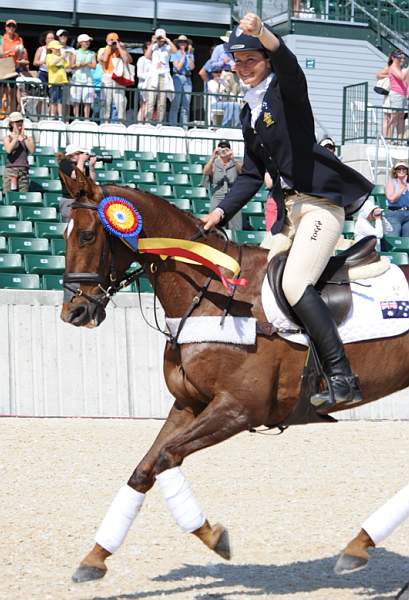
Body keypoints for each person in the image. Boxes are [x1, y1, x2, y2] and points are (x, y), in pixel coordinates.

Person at [201, 13, 373, 414]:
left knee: (294, 285)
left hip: (319, 207)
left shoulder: (286, 91)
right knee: (255, 284)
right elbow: (249, 174)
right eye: (238, 63)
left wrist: (262, 31)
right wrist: (218, 214)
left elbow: (290, 64)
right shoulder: (248, 113)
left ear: (266, 60)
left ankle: (342, 377)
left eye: (251, 61)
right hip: (289, 214)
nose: (243, 69)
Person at [202, 140, 242, 231]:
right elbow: (205, 172)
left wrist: (233, 158)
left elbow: (242, 172)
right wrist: (212, 158)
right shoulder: (214, 163)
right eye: (221, 148)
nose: (223, 150)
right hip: (218, 197)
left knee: (236, 227)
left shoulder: (235, 162)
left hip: (233, 197)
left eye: (226, 148)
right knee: (214, 226)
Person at [97, 32, 132, 123]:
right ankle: (104, 122)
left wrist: (120, 47)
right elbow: (104, 59)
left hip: (118, 77)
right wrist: (109, 47)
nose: (113, 42)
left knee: (120, 101)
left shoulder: (121, 49)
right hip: (107, 76)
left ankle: (120, 123)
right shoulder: (102, 49)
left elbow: (128, 60)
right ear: (107, 40)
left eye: (115, 40)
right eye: (111, 40)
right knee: (106, 101)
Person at [144, 29, 177, 123]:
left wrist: (167, 40)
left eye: (161, 37)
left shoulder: (168, 47)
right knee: (151, 100)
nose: (160, 39)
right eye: (159, 37)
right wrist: (152, 42)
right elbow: (146, 56)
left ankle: (160, 122)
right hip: (153, 75)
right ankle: (148, 121)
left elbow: (176, 52)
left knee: (162, 102)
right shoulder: (153, 46)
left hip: (164, 75)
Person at [57, 144, 97, 221]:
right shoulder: (65, 163)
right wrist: (81, 160)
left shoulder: (81, 165)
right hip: (69, 200)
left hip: (82, 200)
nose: (83, 156)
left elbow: (92, 181)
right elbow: (76, 176)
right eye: (81, 153)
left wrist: (91, 167)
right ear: (73, 154)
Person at [3, 111, 35, 192]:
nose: (19, 124)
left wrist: (24, 138)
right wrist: (16, 138)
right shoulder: (8, 138)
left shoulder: (28, 138)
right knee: (9, 195)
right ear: (12, 124)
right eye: (17, 122)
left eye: (21, 121)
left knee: (23, 195)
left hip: (23, 171)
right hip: (11, 170)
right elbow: (8, 150)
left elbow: (32, 150)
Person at [168, 35, 195, 127]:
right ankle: (173, 126)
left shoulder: (190, 54)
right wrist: (183, 56)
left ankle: (184, 128)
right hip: (177, 78)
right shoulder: (175, 53)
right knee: (175, 103)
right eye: (181, 42)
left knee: (186, 105)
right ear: (178, 43)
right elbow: (178, 67)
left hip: (187, 79)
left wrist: (189, 54)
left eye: (184, 42)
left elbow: (192, 67)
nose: (183, 43)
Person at [71, 34, 96, 119]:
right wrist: (80, 65)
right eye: (86, 41)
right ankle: (76, 118)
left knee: (88, 101)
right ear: (80, 42)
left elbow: (94, 66)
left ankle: (86, 119)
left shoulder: (92, 53)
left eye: (88, 41)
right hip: (76, 79)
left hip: (88, 79)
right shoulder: (75, 52)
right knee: (76, 100)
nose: (88, 43)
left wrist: (86, 64)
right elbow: (71, 66)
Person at [384, 161, 409, 236]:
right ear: (395, 171)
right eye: (399, 169)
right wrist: (403, 187)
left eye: (404, 169)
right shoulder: (391, 182)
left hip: (408, 213)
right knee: (393, 237)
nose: (401, 171)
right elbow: (391, 199)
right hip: (394, 213)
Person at [46, 40, 69, 118]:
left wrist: (64, 57)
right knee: (53, 99)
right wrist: (61, 57)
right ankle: (52, 115)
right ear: (52, 49)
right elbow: (51, 64)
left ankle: (60, 116)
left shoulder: (60, 57)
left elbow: (67, 65)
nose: (58, 50)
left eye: (59, 48)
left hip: (62, 81)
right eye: (56, 48)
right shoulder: (49, 56)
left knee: (61, 100)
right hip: (54, 81)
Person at [136, 41, 152, 122]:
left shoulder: (154, 60)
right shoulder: (141, 59)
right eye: (148, 48)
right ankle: (140, 124)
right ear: (144, 50)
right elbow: (139, 74)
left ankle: (147, 123)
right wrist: (150, 78)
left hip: (152, 87)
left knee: (150, 106)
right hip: (143, 86)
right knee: (143, 105)